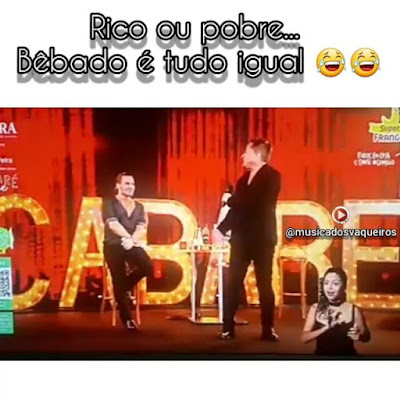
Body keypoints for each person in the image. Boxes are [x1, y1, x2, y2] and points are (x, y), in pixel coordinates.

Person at [214, 138, 281, 341]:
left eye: (247, 152)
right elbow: (237, 211)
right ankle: (227, 327)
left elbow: (257, 202)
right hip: (241, 240)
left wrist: (231, 199)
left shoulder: (272, 176)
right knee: (233, 283)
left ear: (257, 154)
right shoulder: (242, 180)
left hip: (262, 240)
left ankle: (268, 329)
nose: (242, 156)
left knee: (264, 285)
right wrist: (221, 228)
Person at [102, 172, 153, 331]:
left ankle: (123, 287)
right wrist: (127, 237)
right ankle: (128, 319)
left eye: (132, 184)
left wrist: (132, 241)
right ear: (118, 185)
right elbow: (113, 225)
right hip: (113, 245)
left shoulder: (139, 206)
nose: (131, 187)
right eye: (127, 183)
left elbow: (141, 227)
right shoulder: (109, 203)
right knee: (118, 277)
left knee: (148, 267)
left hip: (131, 244)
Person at [301, 267, 371, 356]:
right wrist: (325, 328)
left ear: (344, 286)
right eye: (326, 283)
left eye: (335, 283)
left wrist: (359, 336)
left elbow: (367, 337)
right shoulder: (315, 308)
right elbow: (304, 338)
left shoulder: (353, 310)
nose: (329, 288)